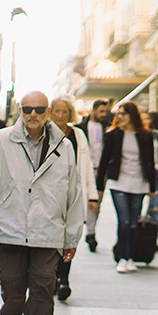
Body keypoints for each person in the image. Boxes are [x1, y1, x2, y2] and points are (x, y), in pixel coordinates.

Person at [0, 91, 85, 315]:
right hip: (10, 228)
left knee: (42, 288)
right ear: (20, 112)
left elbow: (74, 192)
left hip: (49, 230)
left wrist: (71, 236)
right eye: (27, 109)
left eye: (38, 110)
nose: (32, 115)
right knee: (12, 288)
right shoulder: (1, 140)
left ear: (47, 112)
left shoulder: (64, 145)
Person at [96, 101, 157, 273]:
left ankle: (130, 256)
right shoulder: (113, 134)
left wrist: (152, 186)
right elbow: (103, 162)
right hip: (119, 183)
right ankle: (122, 257)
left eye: (123, 113)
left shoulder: (145, 135)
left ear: (132, 115)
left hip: (139, 183)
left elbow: (150, 162)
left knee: (133, 223)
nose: (120, 116)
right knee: (124, 220)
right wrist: (99, 185)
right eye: (119, 113)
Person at [49, 95, 99, 300]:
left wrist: (93, 196)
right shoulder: (44, 133)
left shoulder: (78, 134)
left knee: (69, 238)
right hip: (50, 197)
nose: (61, 115)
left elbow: (87, 167)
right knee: (52, 240)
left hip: (73, 195)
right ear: (50, 112)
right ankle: (52, 277)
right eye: (57, 111)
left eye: (65, 111)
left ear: (70, 113)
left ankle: (64, 280)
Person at [77, 99, 110, 252]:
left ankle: (91, 232)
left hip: (100, 171)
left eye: (105, 112)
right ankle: (86, 229)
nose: (104, 114)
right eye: (101, 111)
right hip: (83, 170)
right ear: (93, 110)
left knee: (95, 202)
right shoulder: (80, 128)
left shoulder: (107, 128)